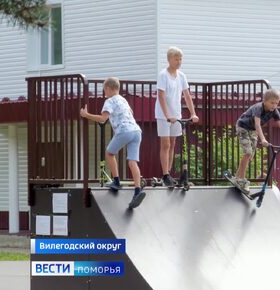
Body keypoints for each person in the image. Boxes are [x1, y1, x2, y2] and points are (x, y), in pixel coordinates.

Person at [79, 77, 146, 209]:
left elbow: (103, 119)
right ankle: (137, 191)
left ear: (109, 89)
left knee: (109, 153)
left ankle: (116, 181)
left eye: (104, 90)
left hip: (124, 131)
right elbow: (130, 113)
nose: (104, 93)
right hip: (137, 131)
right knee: (132, 162)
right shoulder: (123, 99)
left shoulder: (109, 101)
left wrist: (86, 115)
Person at [231, 88, 280, 194]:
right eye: (272, 103)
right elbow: (257, 124)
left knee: (250, 155)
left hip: (252, 130)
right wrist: (263, 139)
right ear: (265, 101)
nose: (274, 106)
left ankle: (237, 177)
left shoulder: (274, 111)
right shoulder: (258, 108)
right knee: (247, 152)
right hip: (242, 127)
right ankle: (240, 180)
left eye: (276, 103)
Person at [156, 46, 199, 187]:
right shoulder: (163, 75)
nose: (179, 61)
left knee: (173, 144)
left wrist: (193, 113)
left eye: (180, 59)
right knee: (166, 144)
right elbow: (161, 96)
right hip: (164, 115)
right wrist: (167, 115)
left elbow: (187, 95)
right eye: (176, 59)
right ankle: (165, 175)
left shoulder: (181, 76)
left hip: (176, 115)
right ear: (169, 60)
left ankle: (168, 173)